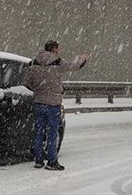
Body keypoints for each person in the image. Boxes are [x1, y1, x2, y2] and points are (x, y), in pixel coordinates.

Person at [23, 40, 90, 171]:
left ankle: (38, 160)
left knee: (39, 131)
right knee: (53, 132)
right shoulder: (58, 61)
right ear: (54, 49)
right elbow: (74, 66)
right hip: (53, 103)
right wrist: (83, 59)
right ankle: (52, 162)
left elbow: (27, 82)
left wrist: (39, 89)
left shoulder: (33, 63)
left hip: (39, 101)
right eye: (57, 49)